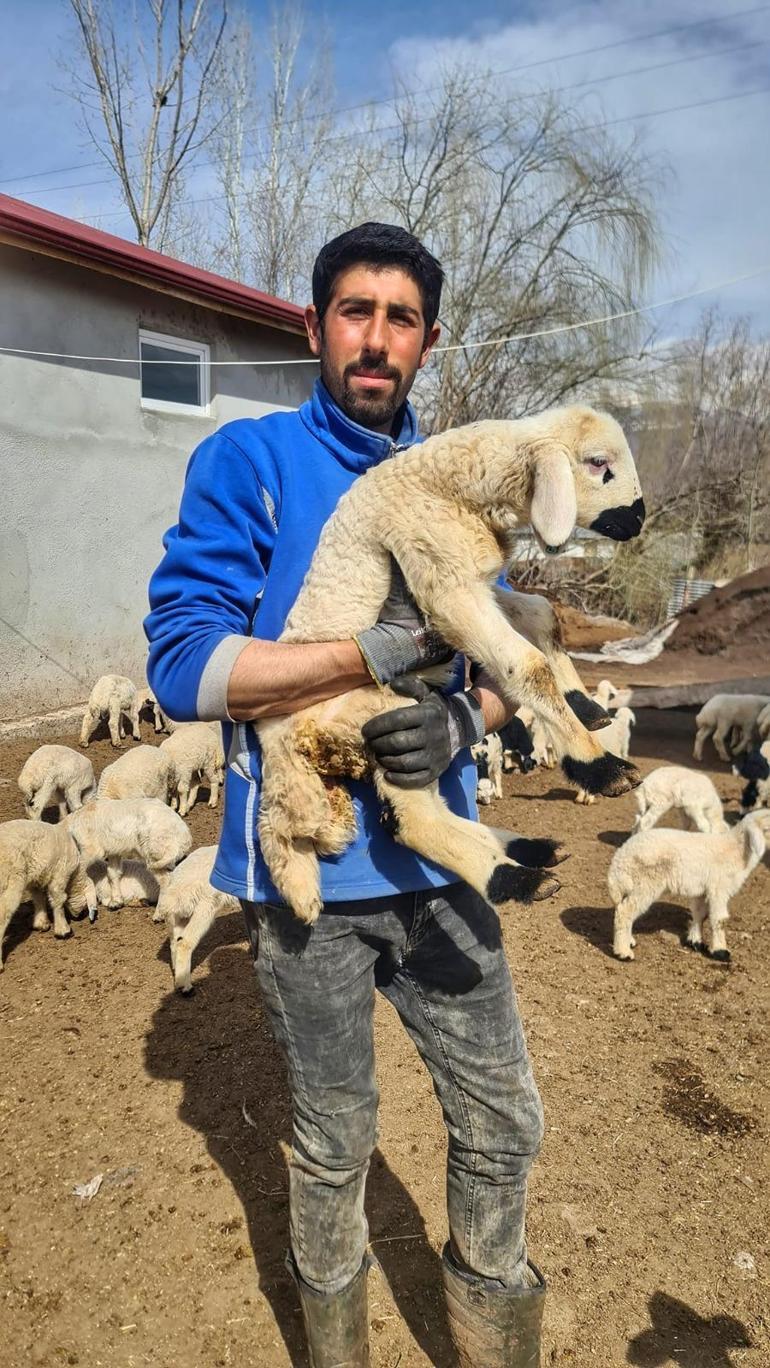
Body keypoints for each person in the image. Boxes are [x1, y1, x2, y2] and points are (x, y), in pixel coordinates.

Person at [145, 222, 546, 1367]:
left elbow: (502, 664)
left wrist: (465, 718)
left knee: (504, 1119)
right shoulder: (250, 462)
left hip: (439, 867)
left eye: (401, 317)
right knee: (333, 1142)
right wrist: (363, 660)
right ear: (312, 326)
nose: (377, 339)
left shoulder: (458, 485)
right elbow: (185, 668)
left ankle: (490, 1340)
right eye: (355, 312)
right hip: (309, 874)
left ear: (427, 342)